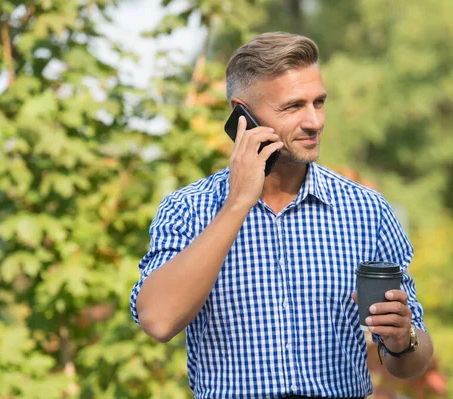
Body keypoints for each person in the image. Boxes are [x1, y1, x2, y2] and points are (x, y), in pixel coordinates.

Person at [130, 31, 434, 399]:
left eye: (318, 103)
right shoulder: (188, 209)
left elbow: (410, 363)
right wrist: (238, 203)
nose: (314, 122)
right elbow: (158, 321)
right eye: (293, 107)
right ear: (242, 115)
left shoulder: (367, 210)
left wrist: (403, 340)